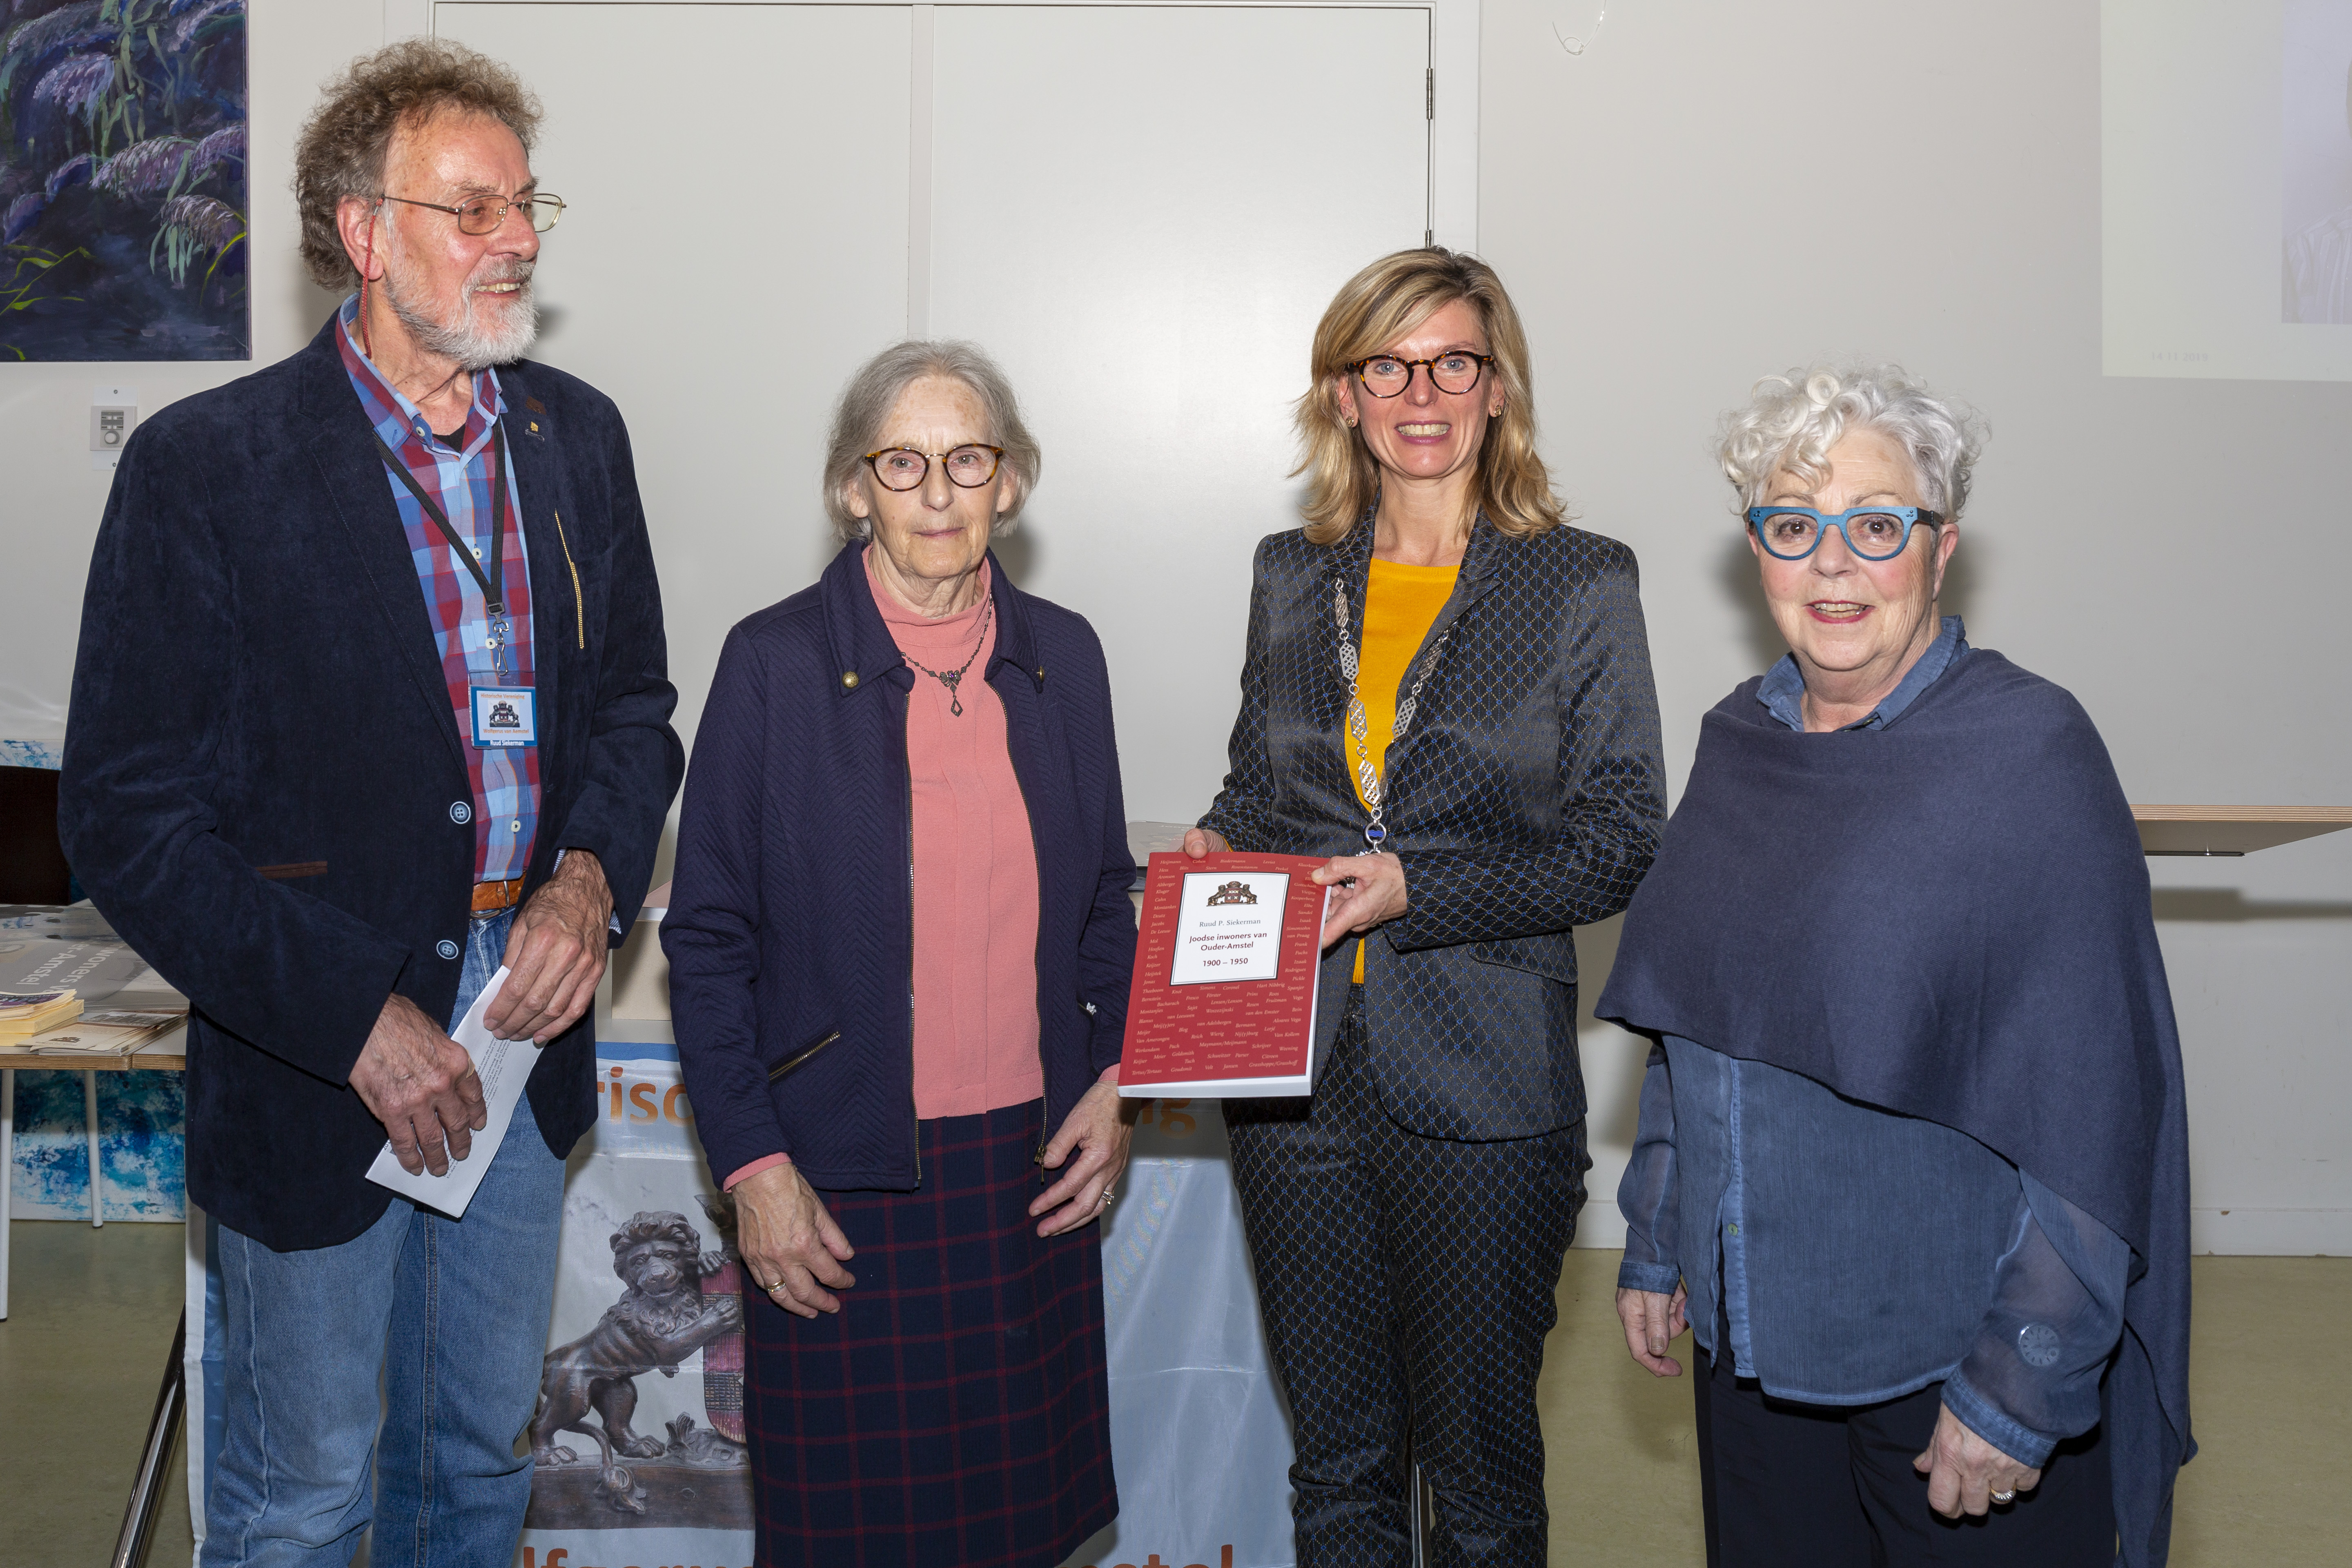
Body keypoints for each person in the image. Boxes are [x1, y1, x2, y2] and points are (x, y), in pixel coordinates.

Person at [58, 38, 681, 1568]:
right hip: (313, 1054)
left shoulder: (576, 438)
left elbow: (637, 712)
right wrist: (351, 1016)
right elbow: (127, 817)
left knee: (475, 1464)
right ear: (363, 231)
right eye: (472, 209)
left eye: (525, 204)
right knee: (304, 1498)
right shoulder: (210, 469)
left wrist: (589, 877)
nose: (517, 238)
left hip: (521, 1030)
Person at [1601, 365, 2193, 1568]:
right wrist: (1660, 1237)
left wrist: (2019, 1383)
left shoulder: (2028, 754)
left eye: (1875, 526)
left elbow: (2095, 1108)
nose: (1832, 564)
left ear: (1941, 548)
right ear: (1755, 552)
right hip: (1753, 1351)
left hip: (1945, 1365)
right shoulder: (1737, 743)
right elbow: (1695, 1028)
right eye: (1792, 527)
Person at [1184, 247, 1667, 1565]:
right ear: (1343, 395)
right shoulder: (1292, 571)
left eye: (1452, 361)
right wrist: (1225, 838)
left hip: (1487, 1093)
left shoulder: (1578, 580)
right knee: (1339, 1464)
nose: (1421, 392)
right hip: (1291, 1085)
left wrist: (1419, 887)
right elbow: (1261, 783)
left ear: (1497, 387)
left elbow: (1624, 842)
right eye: (1386, 365)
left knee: (1481, 1472)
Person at [662, 340, 1138, 1568]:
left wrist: (1112, 1084)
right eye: (903, 462)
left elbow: (1101, 908)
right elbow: (707, 940)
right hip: (840, 1172)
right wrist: (755, 1167)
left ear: (1012, 483)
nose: (938, 492)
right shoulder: (771, 665)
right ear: (852, 488)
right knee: (850, 1540)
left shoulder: (1065, 658)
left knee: (1016, 1530)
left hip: (1027, 1168)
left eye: (967, 459)